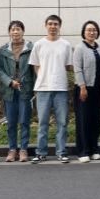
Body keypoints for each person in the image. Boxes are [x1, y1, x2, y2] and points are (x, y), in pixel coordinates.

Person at [28, 15, 73, 164]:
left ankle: (61, 152)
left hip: (61, 88)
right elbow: (36, 66)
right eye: (50, 24)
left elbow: (68, 66)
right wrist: (43, 78)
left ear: (60, 26)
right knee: (43, 123)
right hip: (43, 89)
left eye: (55, 24)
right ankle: (41, 153)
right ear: (45, 26)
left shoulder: (65, 45)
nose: (53, 26)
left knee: (62, 122)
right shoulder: (39, 44)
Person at [0, 20, 34, 162]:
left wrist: (35, 87)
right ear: (9, 32)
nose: (15, 32)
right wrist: (9, 82)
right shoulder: (2, 50)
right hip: (9, 90)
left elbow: (35, 69)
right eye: (13, 29)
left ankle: (23, 149)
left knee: (24, 121)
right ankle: (12, 149)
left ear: (23, 31)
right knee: (11, 122)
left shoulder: (31, 48)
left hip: (25, 89)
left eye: (18, 29)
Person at [73, 20, 100, 163]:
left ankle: (94, 149)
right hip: (84, 89)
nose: (92, 32)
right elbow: (77, 69)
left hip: (98, 89)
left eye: (94, 30)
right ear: (83, 32)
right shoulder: (79, 48)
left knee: (95, 120)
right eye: (89, 30)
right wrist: (82, 87)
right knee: (83, 120)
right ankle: (83, 151)